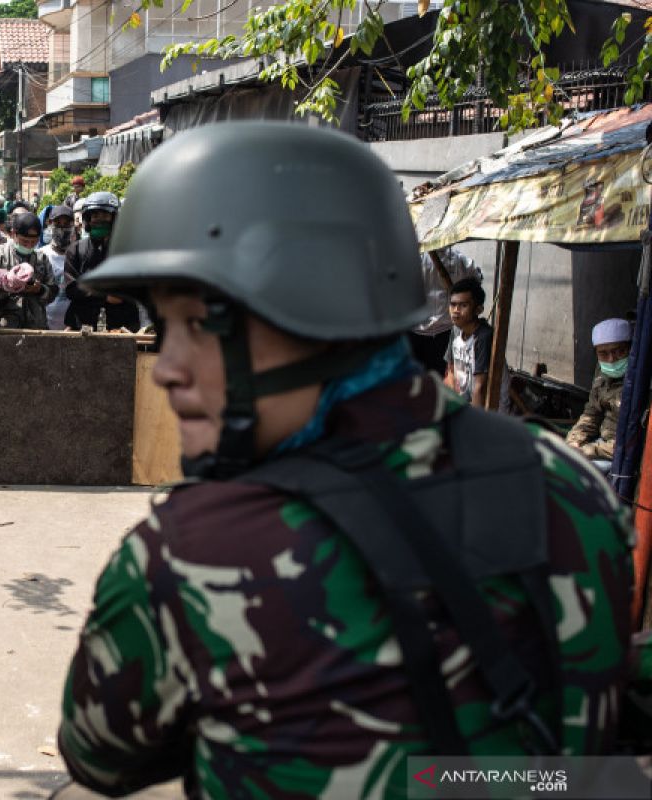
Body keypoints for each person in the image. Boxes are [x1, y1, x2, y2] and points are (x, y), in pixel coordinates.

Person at [56, 122, 632, 796]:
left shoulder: (189, 553)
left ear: (306, 308)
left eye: (195, 324)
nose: (167, 370)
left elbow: (97, 758)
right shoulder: (574, 488)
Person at [63, 192, 139, 331]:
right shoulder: (75, 250)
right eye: (95, 216)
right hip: (82, 325)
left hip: (121, 326)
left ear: (114, 218)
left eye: (105, 215)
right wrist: (104, 295)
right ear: (88, 219)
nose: (99, 220)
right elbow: (72, 289)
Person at [567, 317, 631, 471]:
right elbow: (592, 413)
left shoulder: (639, 383)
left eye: (619, 351)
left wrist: (590, 450)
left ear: (630, 349)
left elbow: (634, 440)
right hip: (601, 442)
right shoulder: (602, 374)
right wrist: (574, 441)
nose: (611, 359)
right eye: (603, 354)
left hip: (620, 452)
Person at [408, 246, 482, 375]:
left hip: (420, 329)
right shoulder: (460, 259)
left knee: (417, 380)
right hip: (443, 331)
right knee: (439, 378)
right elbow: (477, 277)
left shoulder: (415, 258)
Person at [0, 212, 56, 330]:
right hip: (4, 325)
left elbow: (53, 291)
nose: (29, 246)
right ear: (13, 234)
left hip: (36, 326)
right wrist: (6, 285)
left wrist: (40, 289)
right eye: (24, 241)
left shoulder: (42, 259)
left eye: (34, 242)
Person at [444, 278, 496, 408]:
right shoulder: (456, 329)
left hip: (487, 409)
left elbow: (480, 388)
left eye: (463, 305)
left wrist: (475, 423)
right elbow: (450, 369)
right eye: (453, 304)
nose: (456, 310)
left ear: (478, 310)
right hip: (463, 404)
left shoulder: (483, 336)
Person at [39, 205, 74, 330]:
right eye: (58, 224)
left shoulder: (78, 253)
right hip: (45, 326)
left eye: (66, 224)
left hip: (73, 327)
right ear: (49, 223)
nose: (62, 229)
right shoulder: (41, 255)